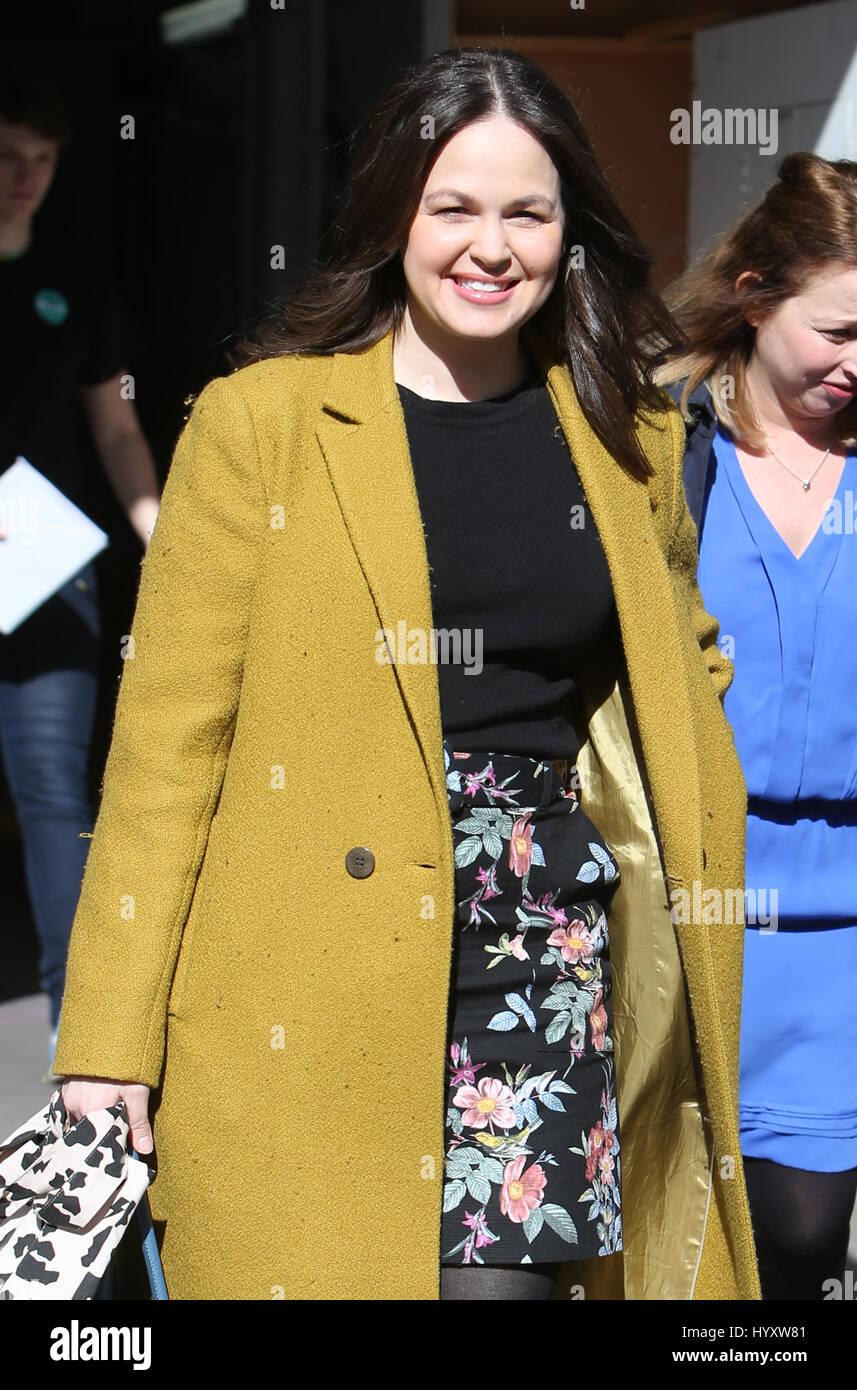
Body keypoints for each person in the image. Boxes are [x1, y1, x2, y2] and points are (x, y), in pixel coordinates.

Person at [53, 47, 760, 1301]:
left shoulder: (626, 427)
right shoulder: (260, 423)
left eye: (525, 214)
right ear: (392, 216)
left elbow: (677, 648)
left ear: (566, 233)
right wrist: (105, 1041)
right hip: (301, 958)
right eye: (453, 208)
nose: (489, 247)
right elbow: (168, 748)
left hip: (532, 948)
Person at [657, 152, 857, 1300]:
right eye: (833, 330)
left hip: (839, 927)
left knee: (795, 1237)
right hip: (685, 916)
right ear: (751, 292)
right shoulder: (661, 455)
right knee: (678, 1245)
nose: (852, 364)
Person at [0, 70, 161, 1061]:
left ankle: (77, 1035)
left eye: (43, 160)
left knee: (55, 787)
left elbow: (117, 430)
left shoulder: (77, 284)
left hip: (46, 567)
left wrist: (163, 532)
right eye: (7, 156)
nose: (24, 177)